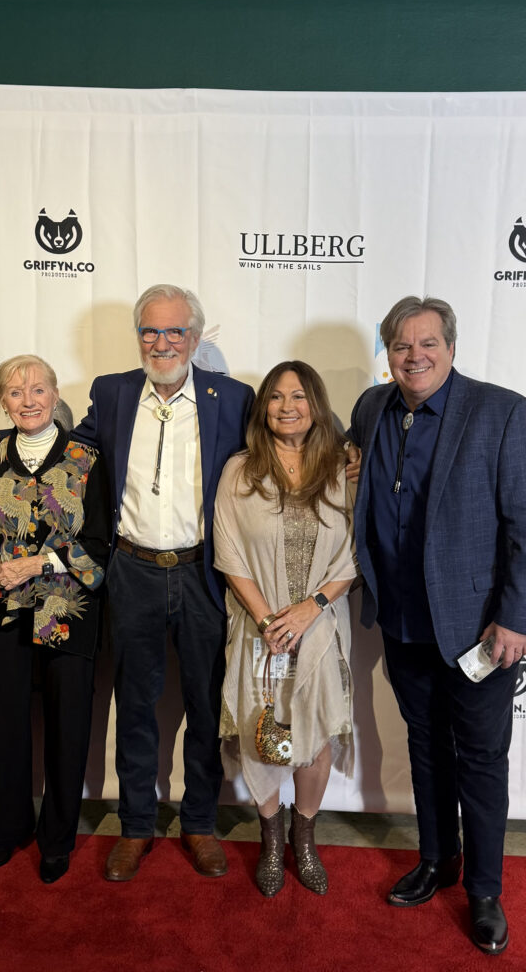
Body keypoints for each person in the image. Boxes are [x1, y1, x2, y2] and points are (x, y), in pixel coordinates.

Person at [349, 296, 526, 956]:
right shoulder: (372, 408)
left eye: (427, 343)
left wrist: (515, 618)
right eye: (401, 345)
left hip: (479, 630)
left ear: (451, 347)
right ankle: (437, 859)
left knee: (479, 759)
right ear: (388, 353)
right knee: (425, 748)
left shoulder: (501, 412)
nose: (414, 356)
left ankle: (483, 891)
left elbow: (524, 527)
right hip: (401, 621)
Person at [72, 284, 255, 881]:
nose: (162, 342)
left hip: (204, 572)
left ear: (195, 338)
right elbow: (72, 451)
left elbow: (278, 453)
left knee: (206, 704)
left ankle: (199, 823)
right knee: (135, 706)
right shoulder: (113, 391)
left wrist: (343, 456)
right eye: (150, 330)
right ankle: (135, 825)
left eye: (175, 331)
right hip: (132, 571)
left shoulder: (233, 398)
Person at [213, 361, 356, 897]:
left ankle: (305, 837)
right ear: (263, 408)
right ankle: (271, 839)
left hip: (318, 626)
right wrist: (268, 619)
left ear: (316, 405)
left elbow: (355, 553)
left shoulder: (342, 469)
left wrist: (310, 609)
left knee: (315, 733)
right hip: (261, 630)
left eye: (298, 396)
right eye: (275, 396)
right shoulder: (240, 471)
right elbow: (228, 552)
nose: (287, 406)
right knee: (262, 730)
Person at [0, 354, 109, 884]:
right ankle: (9, 828)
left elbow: (99, 541)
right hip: (2, 609)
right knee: (7, 725)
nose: (27, 400)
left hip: (67, 611)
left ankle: (57, 839)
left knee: (67, 728)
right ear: (2, 401)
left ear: (55, 395)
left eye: (37, 389)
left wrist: (39, 563)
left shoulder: (87, 457)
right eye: (15, 391)